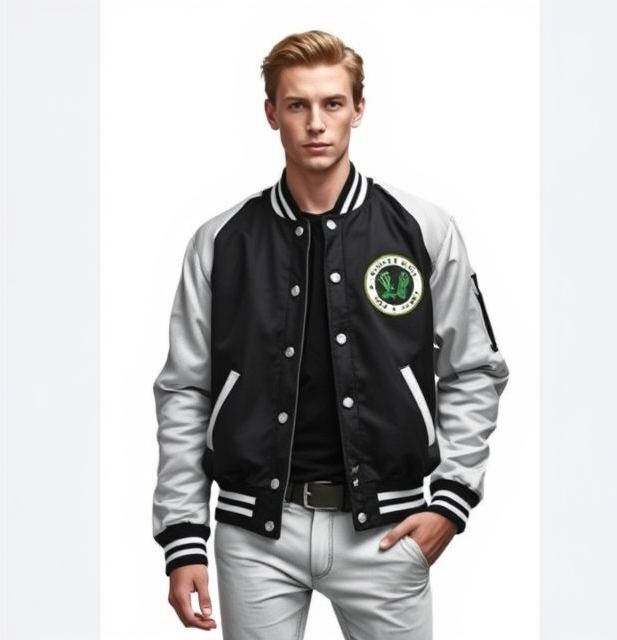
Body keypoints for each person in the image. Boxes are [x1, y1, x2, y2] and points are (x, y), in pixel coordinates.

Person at [152, 29, 509, 639]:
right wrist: (184, 536)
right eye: (297, 105)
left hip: (388, 531)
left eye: (332, 103)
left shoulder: (423, 228)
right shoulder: (220, 242)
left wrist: (451, 500)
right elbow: (185, 390)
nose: (315, 123)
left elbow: (474, 369)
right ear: (272, 113)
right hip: (254, 534)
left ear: (358, 109)